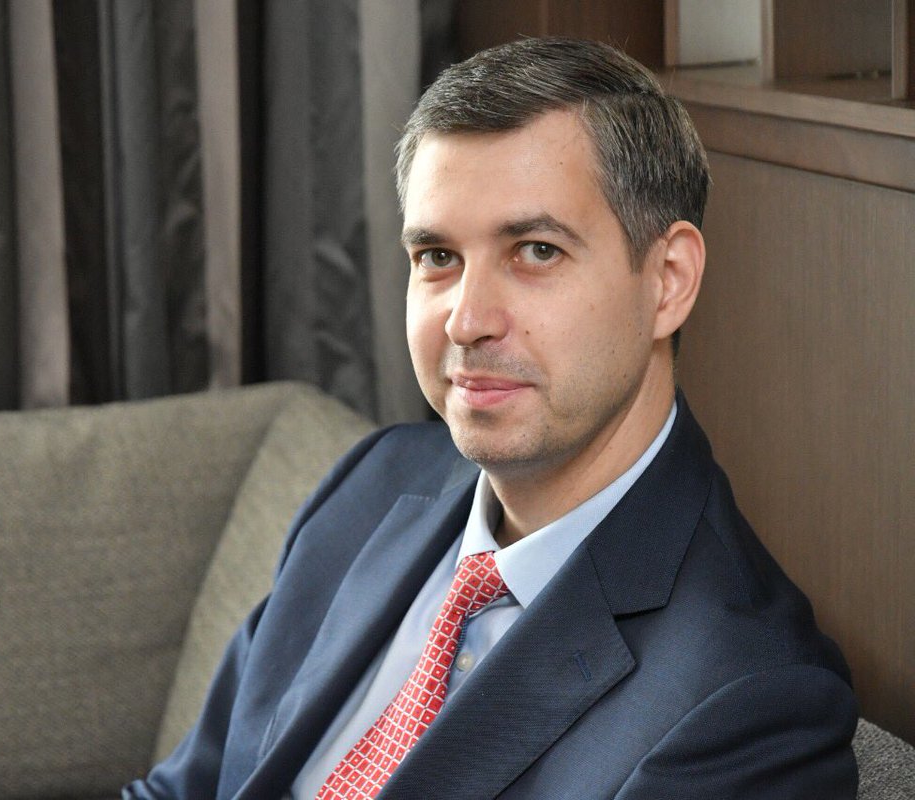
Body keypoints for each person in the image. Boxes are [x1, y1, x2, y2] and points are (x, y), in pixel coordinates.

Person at [124, 37, 858, 799]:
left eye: (536, 251)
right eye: (438, 257)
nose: (467, 320)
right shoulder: (371, 483)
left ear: (667, 281)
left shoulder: (752, 701)